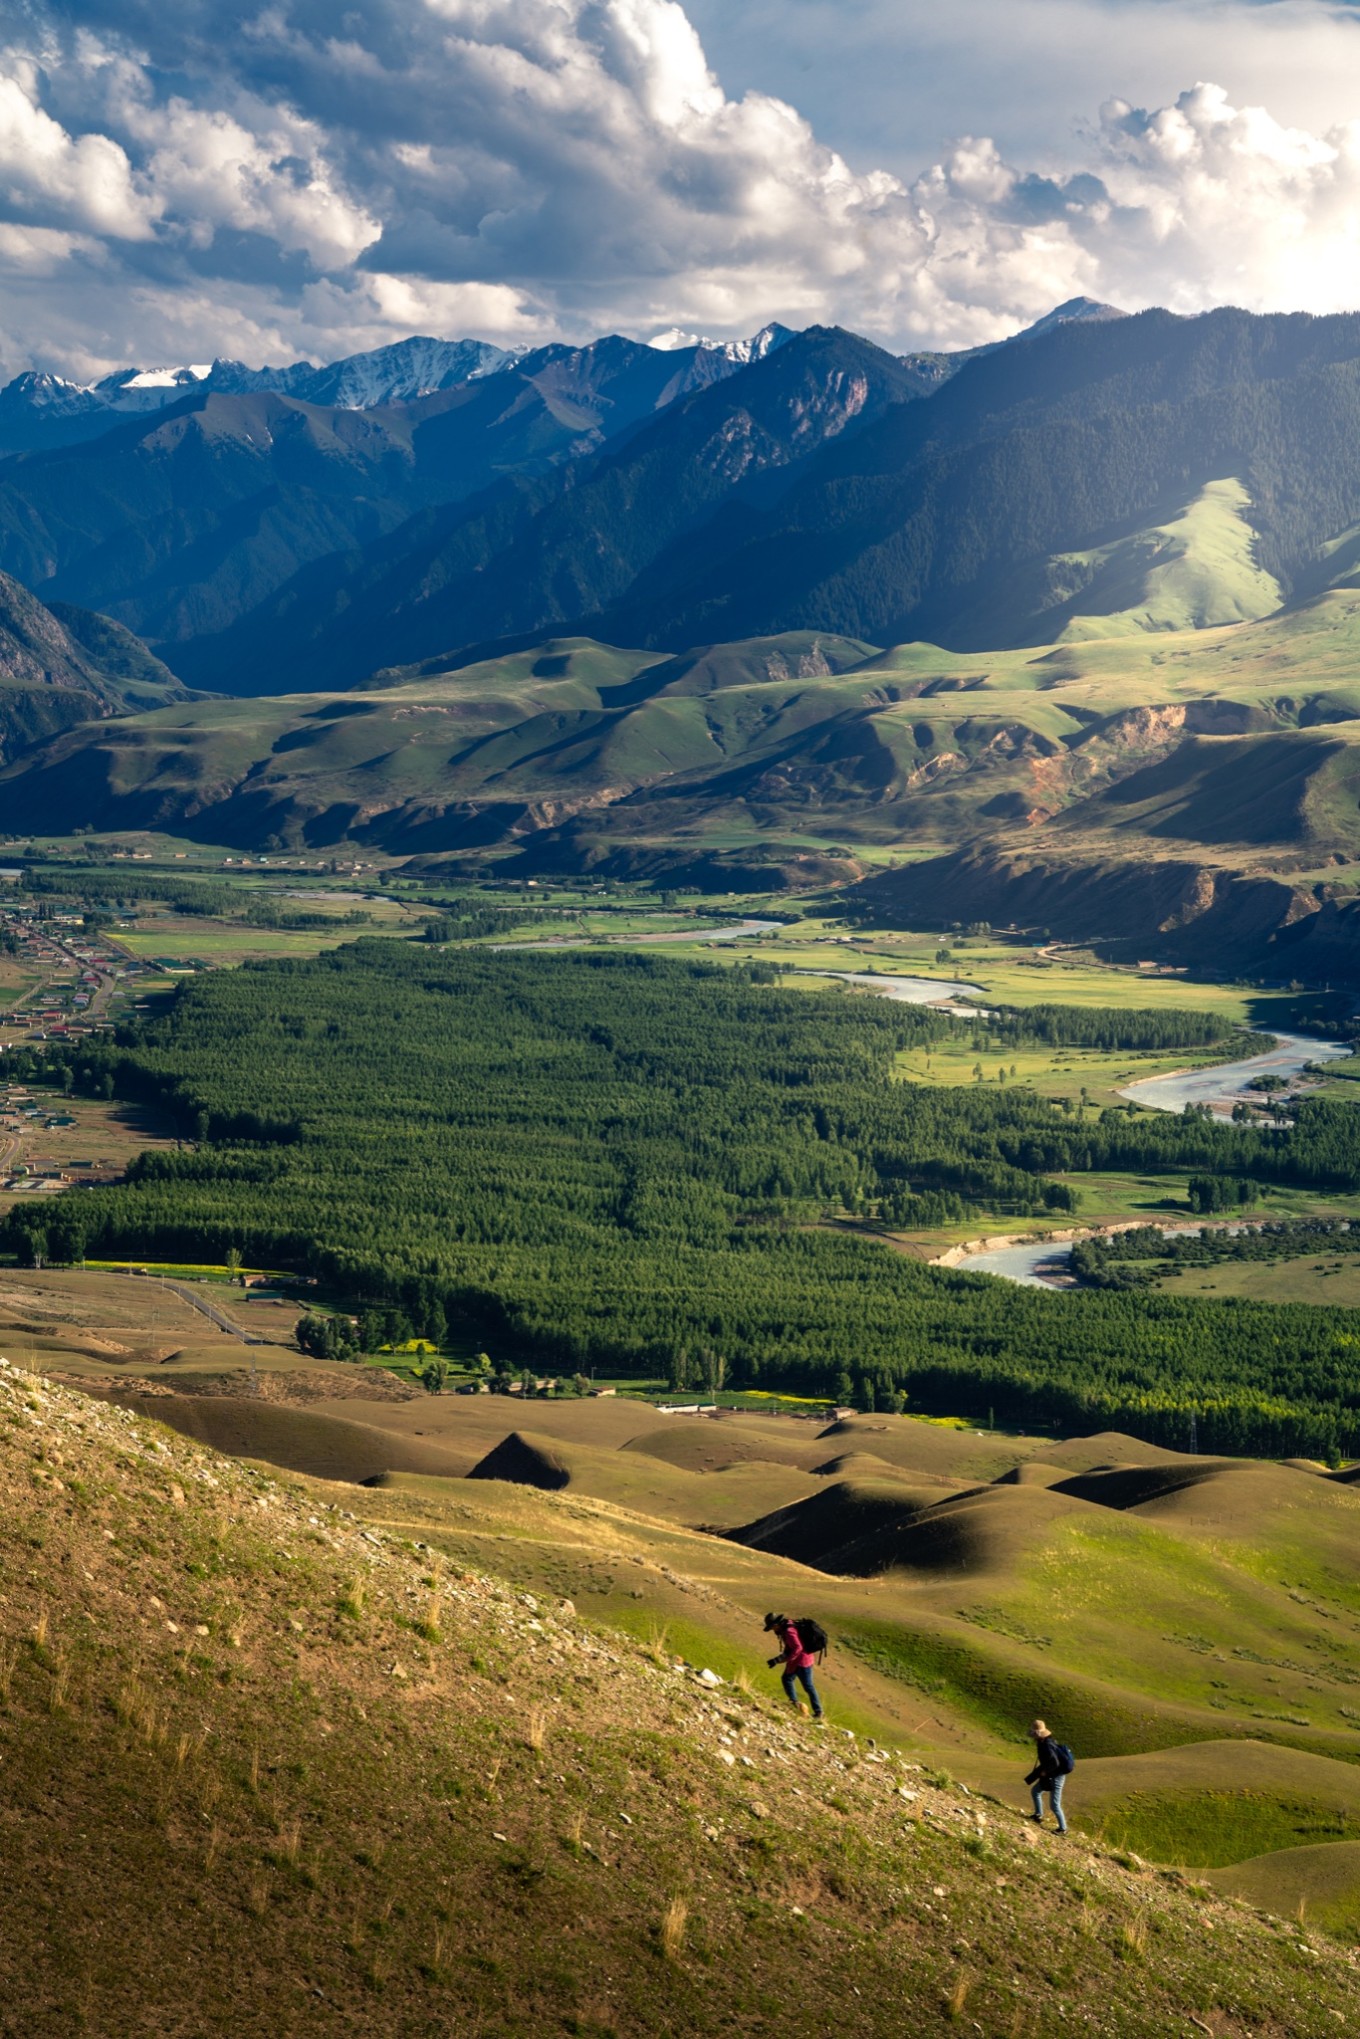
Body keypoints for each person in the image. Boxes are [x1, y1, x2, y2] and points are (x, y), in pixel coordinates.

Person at [763, 1612, 824, 1721]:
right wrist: (777, 1660)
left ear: (776, 1624)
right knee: (787, 1679)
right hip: (797, 1661)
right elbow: (789, 1649)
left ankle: (818, 1712)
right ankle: (795, 1703)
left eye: (772, 1627)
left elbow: (797, 1648)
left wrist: (782, 1659)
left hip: (802, 1662)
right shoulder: (787, 1627)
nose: (773, 1630)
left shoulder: (789, 1631)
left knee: (808, 1686)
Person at [1025, 1718, 1068, 1833]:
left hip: (1057, 1776)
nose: (1033, 1737)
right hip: (1051, 1774)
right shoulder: (1044, 1742)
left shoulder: (1047, 1745)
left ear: (1037, 1734)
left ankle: (1063, 1829)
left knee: (1054, 1805)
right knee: (1035, 1791)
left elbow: (1055, 1763)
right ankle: (1038, 1815)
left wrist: (1045, 1772)